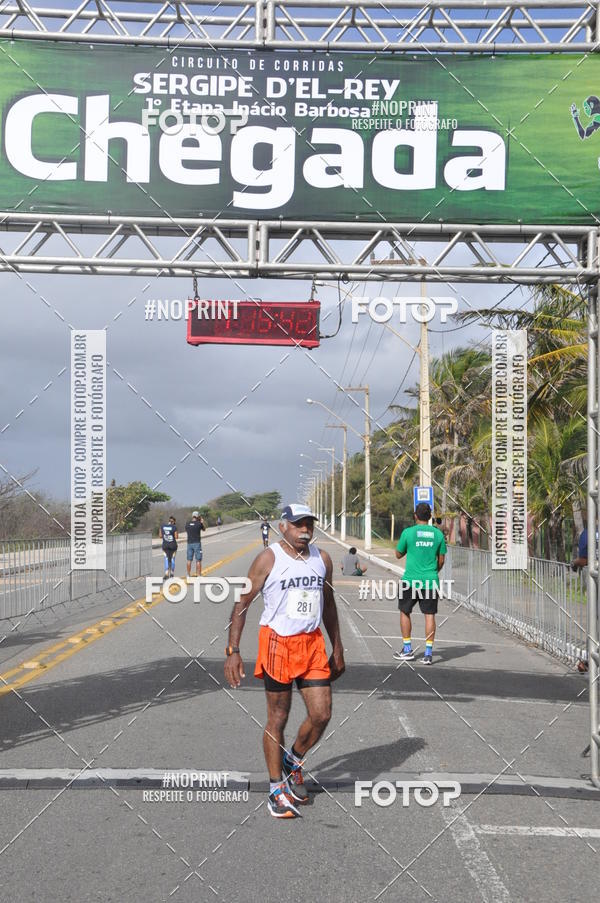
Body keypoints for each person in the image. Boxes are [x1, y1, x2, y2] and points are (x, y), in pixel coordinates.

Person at [224, 503, 345, 819]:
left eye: (309, 524)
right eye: (298, 524)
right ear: (283, 527)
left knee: (322, 714)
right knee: (278, 717)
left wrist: (337, 647)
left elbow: (328, 604)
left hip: (312, 643)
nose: (305, 530)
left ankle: (293, 759)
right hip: (277, 643)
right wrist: (233, 650)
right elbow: (243, 602)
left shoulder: (322, 559)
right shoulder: (269, 559)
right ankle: (276, 788)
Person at [393, 502, 446, 665]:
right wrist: (433, 572)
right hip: (430, 581)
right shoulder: (438, 535)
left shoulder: (408, 533)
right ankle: (428, 654)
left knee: (404, 612)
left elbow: (398, 554)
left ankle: (407, 649)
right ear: (430, 516)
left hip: (410, 581)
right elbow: (441, 560)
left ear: (415, 515)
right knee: (429, 615)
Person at [185, 510, 206, 580]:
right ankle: (198, 575)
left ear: (192, 516)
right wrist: (202, 522)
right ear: (197, 516)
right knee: (198, 560)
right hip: (197, 543)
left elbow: (187, 530)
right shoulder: (199, 524)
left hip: (189, 543)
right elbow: (204, 529)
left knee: (189, 560)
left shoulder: (187, 523)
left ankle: (188, 575)